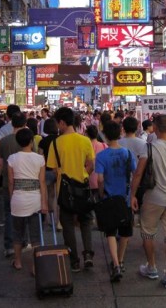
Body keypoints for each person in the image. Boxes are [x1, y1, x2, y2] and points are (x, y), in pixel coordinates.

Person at [130, 114, 166, 289]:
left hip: (153, 197)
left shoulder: (149, 149)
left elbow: (138, 173)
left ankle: (152, 267)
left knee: (148, 232)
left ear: (154, 127)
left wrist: (132, 195)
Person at [47, 107, 95, 273]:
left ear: (61, 122)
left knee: (67, 224)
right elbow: (91, 165)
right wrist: (82, 175)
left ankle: (74, 260)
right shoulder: (85, 140)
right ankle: (88, 254)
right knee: (85, 221)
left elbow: (53, 168)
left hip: (64, 190)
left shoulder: (56, 142)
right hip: (83, 186)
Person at [95, 120, 137, 282]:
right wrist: (132, 194)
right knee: (125, 231)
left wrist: (101, 194)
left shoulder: (101, 156)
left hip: (109, 198)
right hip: (125, 198)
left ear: (105, 135)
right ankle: (120, 259)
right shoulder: (127, 153)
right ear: (119, 134)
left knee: (110, 231)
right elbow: (135, 174)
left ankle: (115, 264)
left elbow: (99, 179)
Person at [7, 128, 48, 272]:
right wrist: (44, 203)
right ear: (31, 141)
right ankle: (35, 266)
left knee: (17, 233)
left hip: (18, 199)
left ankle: (18, 261)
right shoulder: (39, 159)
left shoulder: (12, 159)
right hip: (35, 200)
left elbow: (11, 182)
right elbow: (42, 182)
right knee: (35, 235)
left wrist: (12, 197)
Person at [0, 112, 28, 258]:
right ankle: (23, 241)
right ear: (24, 124)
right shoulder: (28, 140)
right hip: (25, 181)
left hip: (7, 182)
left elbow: (0, 163)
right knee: (25, 213)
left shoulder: (4, 141)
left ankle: (9, 246)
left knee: (9, 214)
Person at [38, 118, 61, 230]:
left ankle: (51, 220)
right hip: (60, 170)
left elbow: (40, 156)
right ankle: (59, 221)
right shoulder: (60, 140)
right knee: (59, 196)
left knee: (50, 196)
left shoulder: (43, 141)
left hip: (47, 170)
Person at [85, 124, 107, 201]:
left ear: (87, 134)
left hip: (87, 181)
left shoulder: (84, 147)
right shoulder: (104, 146)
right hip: (101, 180)